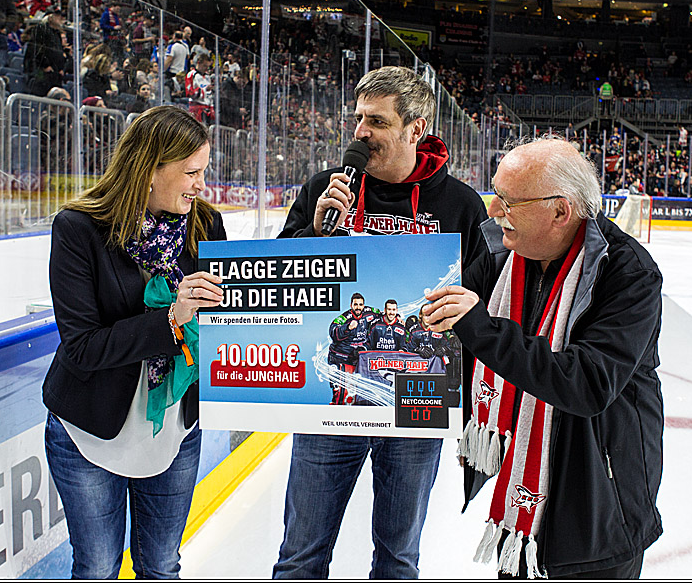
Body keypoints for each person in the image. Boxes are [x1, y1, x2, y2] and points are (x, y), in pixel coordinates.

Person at [273, 65, 489, 579]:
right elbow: (272, 277)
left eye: (377, 121)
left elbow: (482, 308)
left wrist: (471, 410)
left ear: (416, 129)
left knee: (398, 558)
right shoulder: (327, 188)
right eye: (357, 119)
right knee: (300, 554)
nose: (360, 133)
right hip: (334, 408)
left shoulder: (459, 204)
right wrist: (317, 233)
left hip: (416, 409)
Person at [423, 136, 664, 579]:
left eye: (510, 202)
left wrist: (479, 326)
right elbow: (441, 338)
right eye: (495, 195)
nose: (494, 211)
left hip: (600, 510)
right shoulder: (501, 257)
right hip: (522, 504)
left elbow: (588, 383)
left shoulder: (629, 273)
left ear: (560, 211)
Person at [44, 105, 226, 579]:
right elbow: (82, 347)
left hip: (176, 428)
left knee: (161, 565)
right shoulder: (78, 230)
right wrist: (171, 318)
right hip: (90, 427)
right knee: (98, 568)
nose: (200, 184)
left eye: (203, 171)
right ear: (148, 170)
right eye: (191, 172)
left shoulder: (205, 225)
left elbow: (234, 320)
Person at [327, 292, 380, 405]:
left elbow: (382, 314)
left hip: (355, 359)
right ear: (351, 305)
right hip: (338, 358)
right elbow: (333, 332)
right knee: (339, 392)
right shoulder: (344, 318)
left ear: (363, 305)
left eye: (360, 305)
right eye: (355, 305)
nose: (358, 307)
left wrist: (398, 318)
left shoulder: (370, 312)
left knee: (355, 394)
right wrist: (348, 327)